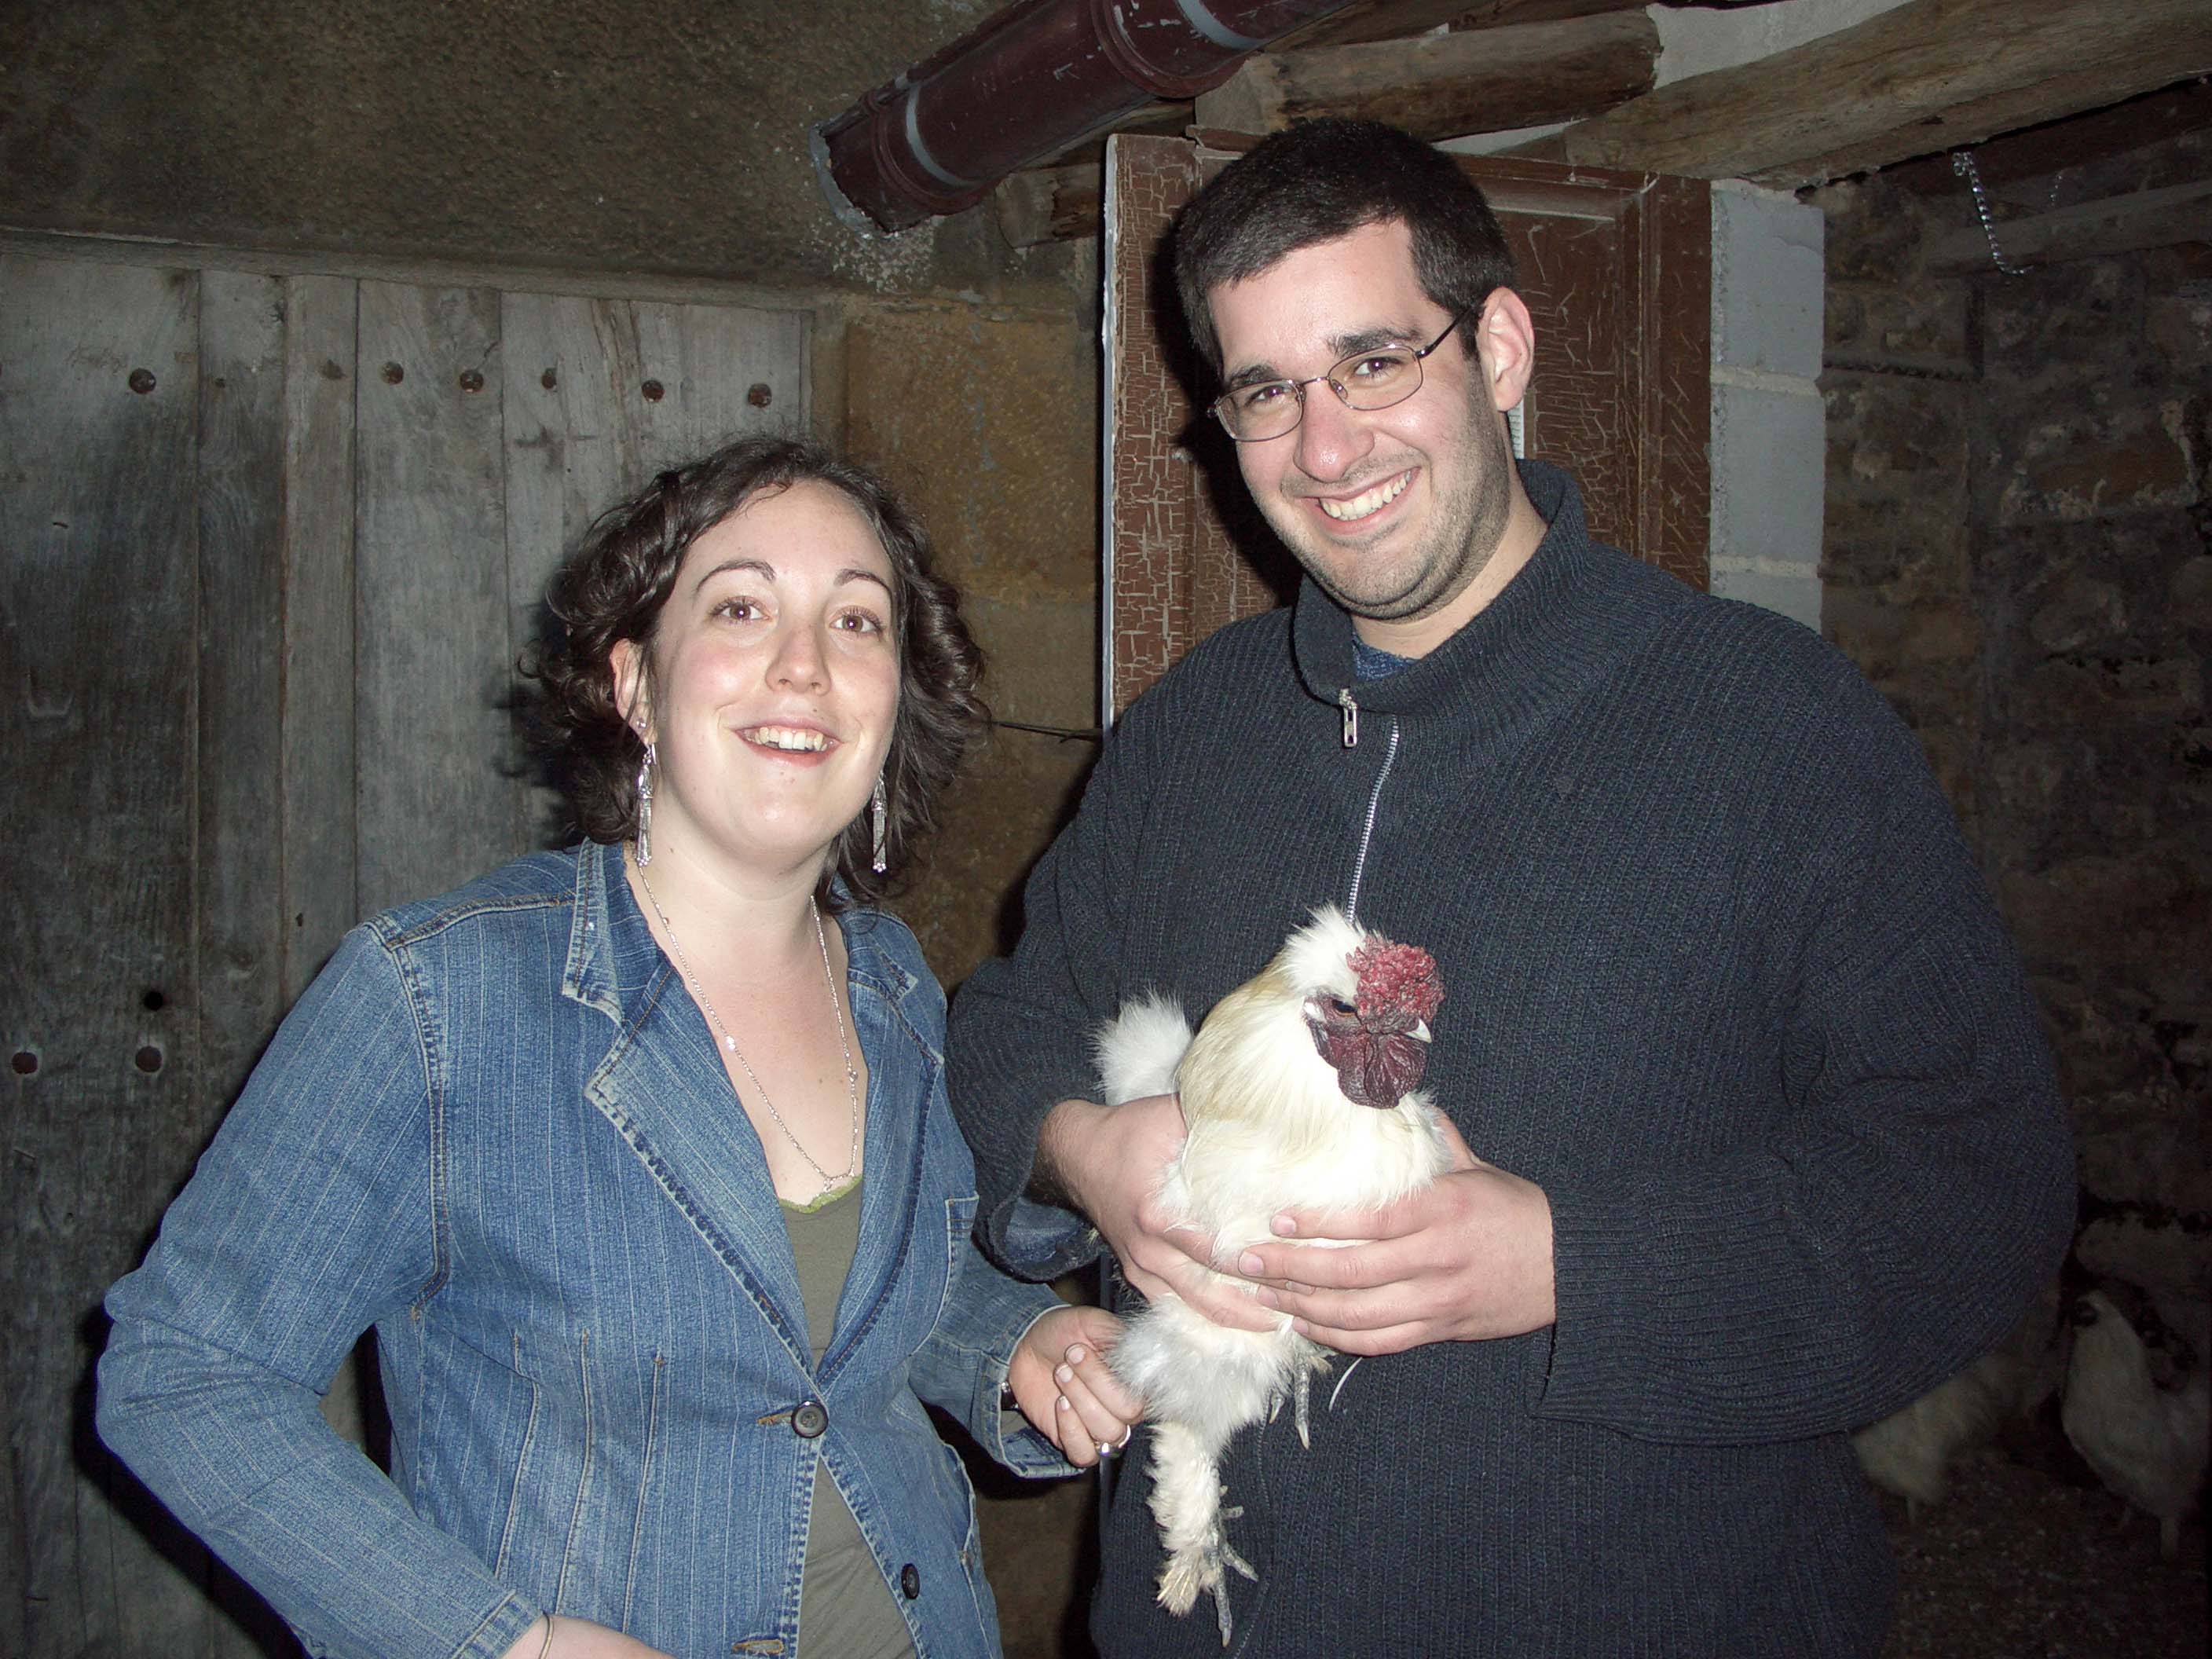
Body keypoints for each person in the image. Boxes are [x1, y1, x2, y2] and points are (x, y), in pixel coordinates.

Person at [947, 119, 2075, 1657]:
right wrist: (1082, 1150)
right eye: (1267, 392)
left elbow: (1979, 1185)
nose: (1324, 449)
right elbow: (1005, 1026)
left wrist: (1570, 1266)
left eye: (1372, 363)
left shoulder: (1776, 730)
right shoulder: (1191, 731)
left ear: (1500, 349)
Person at [97, 435, 1141, 1659]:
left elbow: (852, 1285)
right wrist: (502, 1643)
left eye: (858, 622)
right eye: (741, 607)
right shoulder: (436, 996)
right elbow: (184, 1374)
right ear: (635, 683)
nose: (804, 664)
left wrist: (1013, 1342)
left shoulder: (892, 982)